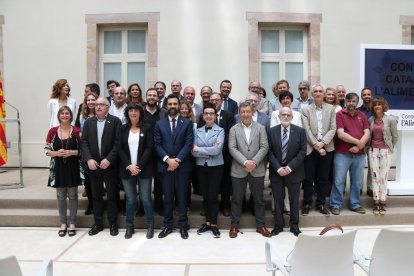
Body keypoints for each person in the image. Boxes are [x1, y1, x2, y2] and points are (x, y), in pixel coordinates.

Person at [228, 102, 271, 238]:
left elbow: (264, 146)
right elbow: (232, 148)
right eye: (243, 112)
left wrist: (254, 162)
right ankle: (234, 226)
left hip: (257, 169)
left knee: (258, 199)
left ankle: (261, 225)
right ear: (239, 114)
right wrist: (245, 162)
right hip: (238, 169)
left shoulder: (261, 128)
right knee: (236, 199)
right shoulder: (233, 129)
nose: (245, 114)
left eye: (248, 111)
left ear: (252, 112)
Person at [154, 94, 194, 239]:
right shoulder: (159, 124)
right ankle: (168, 225)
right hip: (165, 167)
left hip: (182, 167)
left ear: (179, 105)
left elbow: (188, 143)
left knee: (182, 197)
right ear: (166, 106)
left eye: (175, 104)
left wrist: (176, 161)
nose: (172, 106)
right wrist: (167, 160)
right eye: (169, 104)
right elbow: (157, 144)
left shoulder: (187, 123)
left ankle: (183, 226)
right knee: (168, 198)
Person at [81, 97, 122, 236]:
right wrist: (89, 159)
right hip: (94, 165)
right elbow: (84, 142)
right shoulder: (88, 122)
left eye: (101, 105)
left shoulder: (115, 122)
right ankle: (97, 224)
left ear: (108, 107)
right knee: (96, 196)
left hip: (110, 165)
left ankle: (113, 224)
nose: (98, 107)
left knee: (112, 196)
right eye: (97, 104)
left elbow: (118, 143)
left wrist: (109, 159)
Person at [268, 107, 306, 236]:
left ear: (292, 117)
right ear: (278, 117)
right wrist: (278, 168)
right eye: (283, 114)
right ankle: (278, 225)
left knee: (294, 200)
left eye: (288, 115)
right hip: (276, 171)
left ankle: (294, 225)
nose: (285, 116)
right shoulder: (271, 131)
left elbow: (302, 152)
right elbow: (269, 151)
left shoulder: (300, 131)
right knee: (278, 200)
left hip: (294, 171)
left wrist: (289, 168)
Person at [329, 92, 370, 215]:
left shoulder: (362, 115)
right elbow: (340, 134)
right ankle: (335, 204)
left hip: (360, 154)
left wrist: (358, 147)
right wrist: (359, 142)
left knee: (357, 182)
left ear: (357, 103)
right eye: (349, 101)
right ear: (345, 102)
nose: (351, 103)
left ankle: (355, 204)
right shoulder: (339, 115)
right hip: (342, 153)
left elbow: (367, 133)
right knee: (339, 180)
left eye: (354, 101)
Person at [118, 103, 155, 239]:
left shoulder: (147, 128)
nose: (133, 113)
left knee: (145, 198)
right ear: (127, 113)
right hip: (127, 170)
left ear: (140, 113)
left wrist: (138, 166)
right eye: (131, 111)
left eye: (136, 111)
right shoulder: (122, 129)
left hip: (144, 169)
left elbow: (149, 148)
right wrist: (129, 165)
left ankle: (150, 226)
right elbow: (120, 148)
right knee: (130, 199)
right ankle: (129, 226)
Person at [45, 106, 82, 237]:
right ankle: (62, 223)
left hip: (73, 167)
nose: (65, 115)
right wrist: (56, 153)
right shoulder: (52, 131)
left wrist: (72, 152)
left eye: (67, 113)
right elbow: (46, 150)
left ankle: (72, 223)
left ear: (70, 116)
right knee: (61, 196)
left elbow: (83, 150)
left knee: (73, 195)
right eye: (62, 113)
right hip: (58, 168)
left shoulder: (77, 131)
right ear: (59, 116)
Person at [300, 84, 336, 216]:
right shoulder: (306, 110)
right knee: (308, 178)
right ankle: (307, 203)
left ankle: (321, 204)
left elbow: (333, 128)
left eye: (321, 91)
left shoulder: (331, 109)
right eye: (315, 91)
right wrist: (316, 144)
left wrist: (323, 143)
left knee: (323, 178)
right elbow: (306, 129)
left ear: (324, 94)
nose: (318, 93)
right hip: (310, 148)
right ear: (311, 94)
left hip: (327, 148)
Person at [198, 92, 235, 217]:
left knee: (225, 182)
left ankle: (225, 206)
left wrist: (218, 148)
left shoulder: (228, 115)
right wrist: (211, 150)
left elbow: (230, 135)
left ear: (221, 101)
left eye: (217, 100)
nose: (214, 102)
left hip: (225, 155)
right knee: (207, 185)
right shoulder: (202, 117)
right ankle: (206, 206)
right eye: (212, 100)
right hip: (206, 159)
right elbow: (199, 138)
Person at [192, 103, 224, 238]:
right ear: (203, 116)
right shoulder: (197, 130)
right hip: (201, 166)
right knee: (205, 195)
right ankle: (207, 222)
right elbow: (193, 152)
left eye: (212, 113)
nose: (209, 115)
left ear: (215, 116)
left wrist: (200, 149)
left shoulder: (220, 130)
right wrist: (208, 150)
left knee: (213, 195)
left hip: (216, 167)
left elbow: (217, 150)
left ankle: (214, 224)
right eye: (207, 113)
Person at [368, 97, 398, 215]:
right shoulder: (371, 119)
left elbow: (395, 137)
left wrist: (390, 149)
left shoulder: (390, 119)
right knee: (375, 176)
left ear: (383, 106)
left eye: (380, 104)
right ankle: (376, 201)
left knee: (383, 176)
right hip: (373, 150)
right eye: (375, 105)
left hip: (385, 151)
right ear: (373, 107)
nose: (377, 106)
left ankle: (383, 201)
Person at [143, 88, 168, 215]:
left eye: (154, 95)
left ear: (158, 98)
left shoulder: (164, 112)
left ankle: (159, 206)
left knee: (159, 181)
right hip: (143, 152)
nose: (152, 97)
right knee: (144, 180)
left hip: (159, 152)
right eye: (149, 95)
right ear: (146, 97)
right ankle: (142, 207)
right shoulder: (140, 111)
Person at [75, 91, 98, 215]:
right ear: (85, 102)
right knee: (88, 179)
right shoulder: (81, 116)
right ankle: (91, 204)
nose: (91, 102)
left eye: (93, 100)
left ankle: (98, 203)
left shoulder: (101, 114)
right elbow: (78, 130)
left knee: (98, 179)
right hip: (85, 150)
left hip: (99, 149)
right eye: (88, 100)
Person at [358, 87, 374, 197]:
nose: (366, 96)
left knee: (372, 166)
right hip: (361, 142)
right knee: (360, 166)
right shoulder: (358, 111)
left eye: (368, 94)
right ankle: (358, 188)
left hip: (374, 142)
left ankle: (370, 188)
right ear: (361, 96)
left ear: (371, 96)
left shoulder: (376, 110)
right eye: (364, 94)